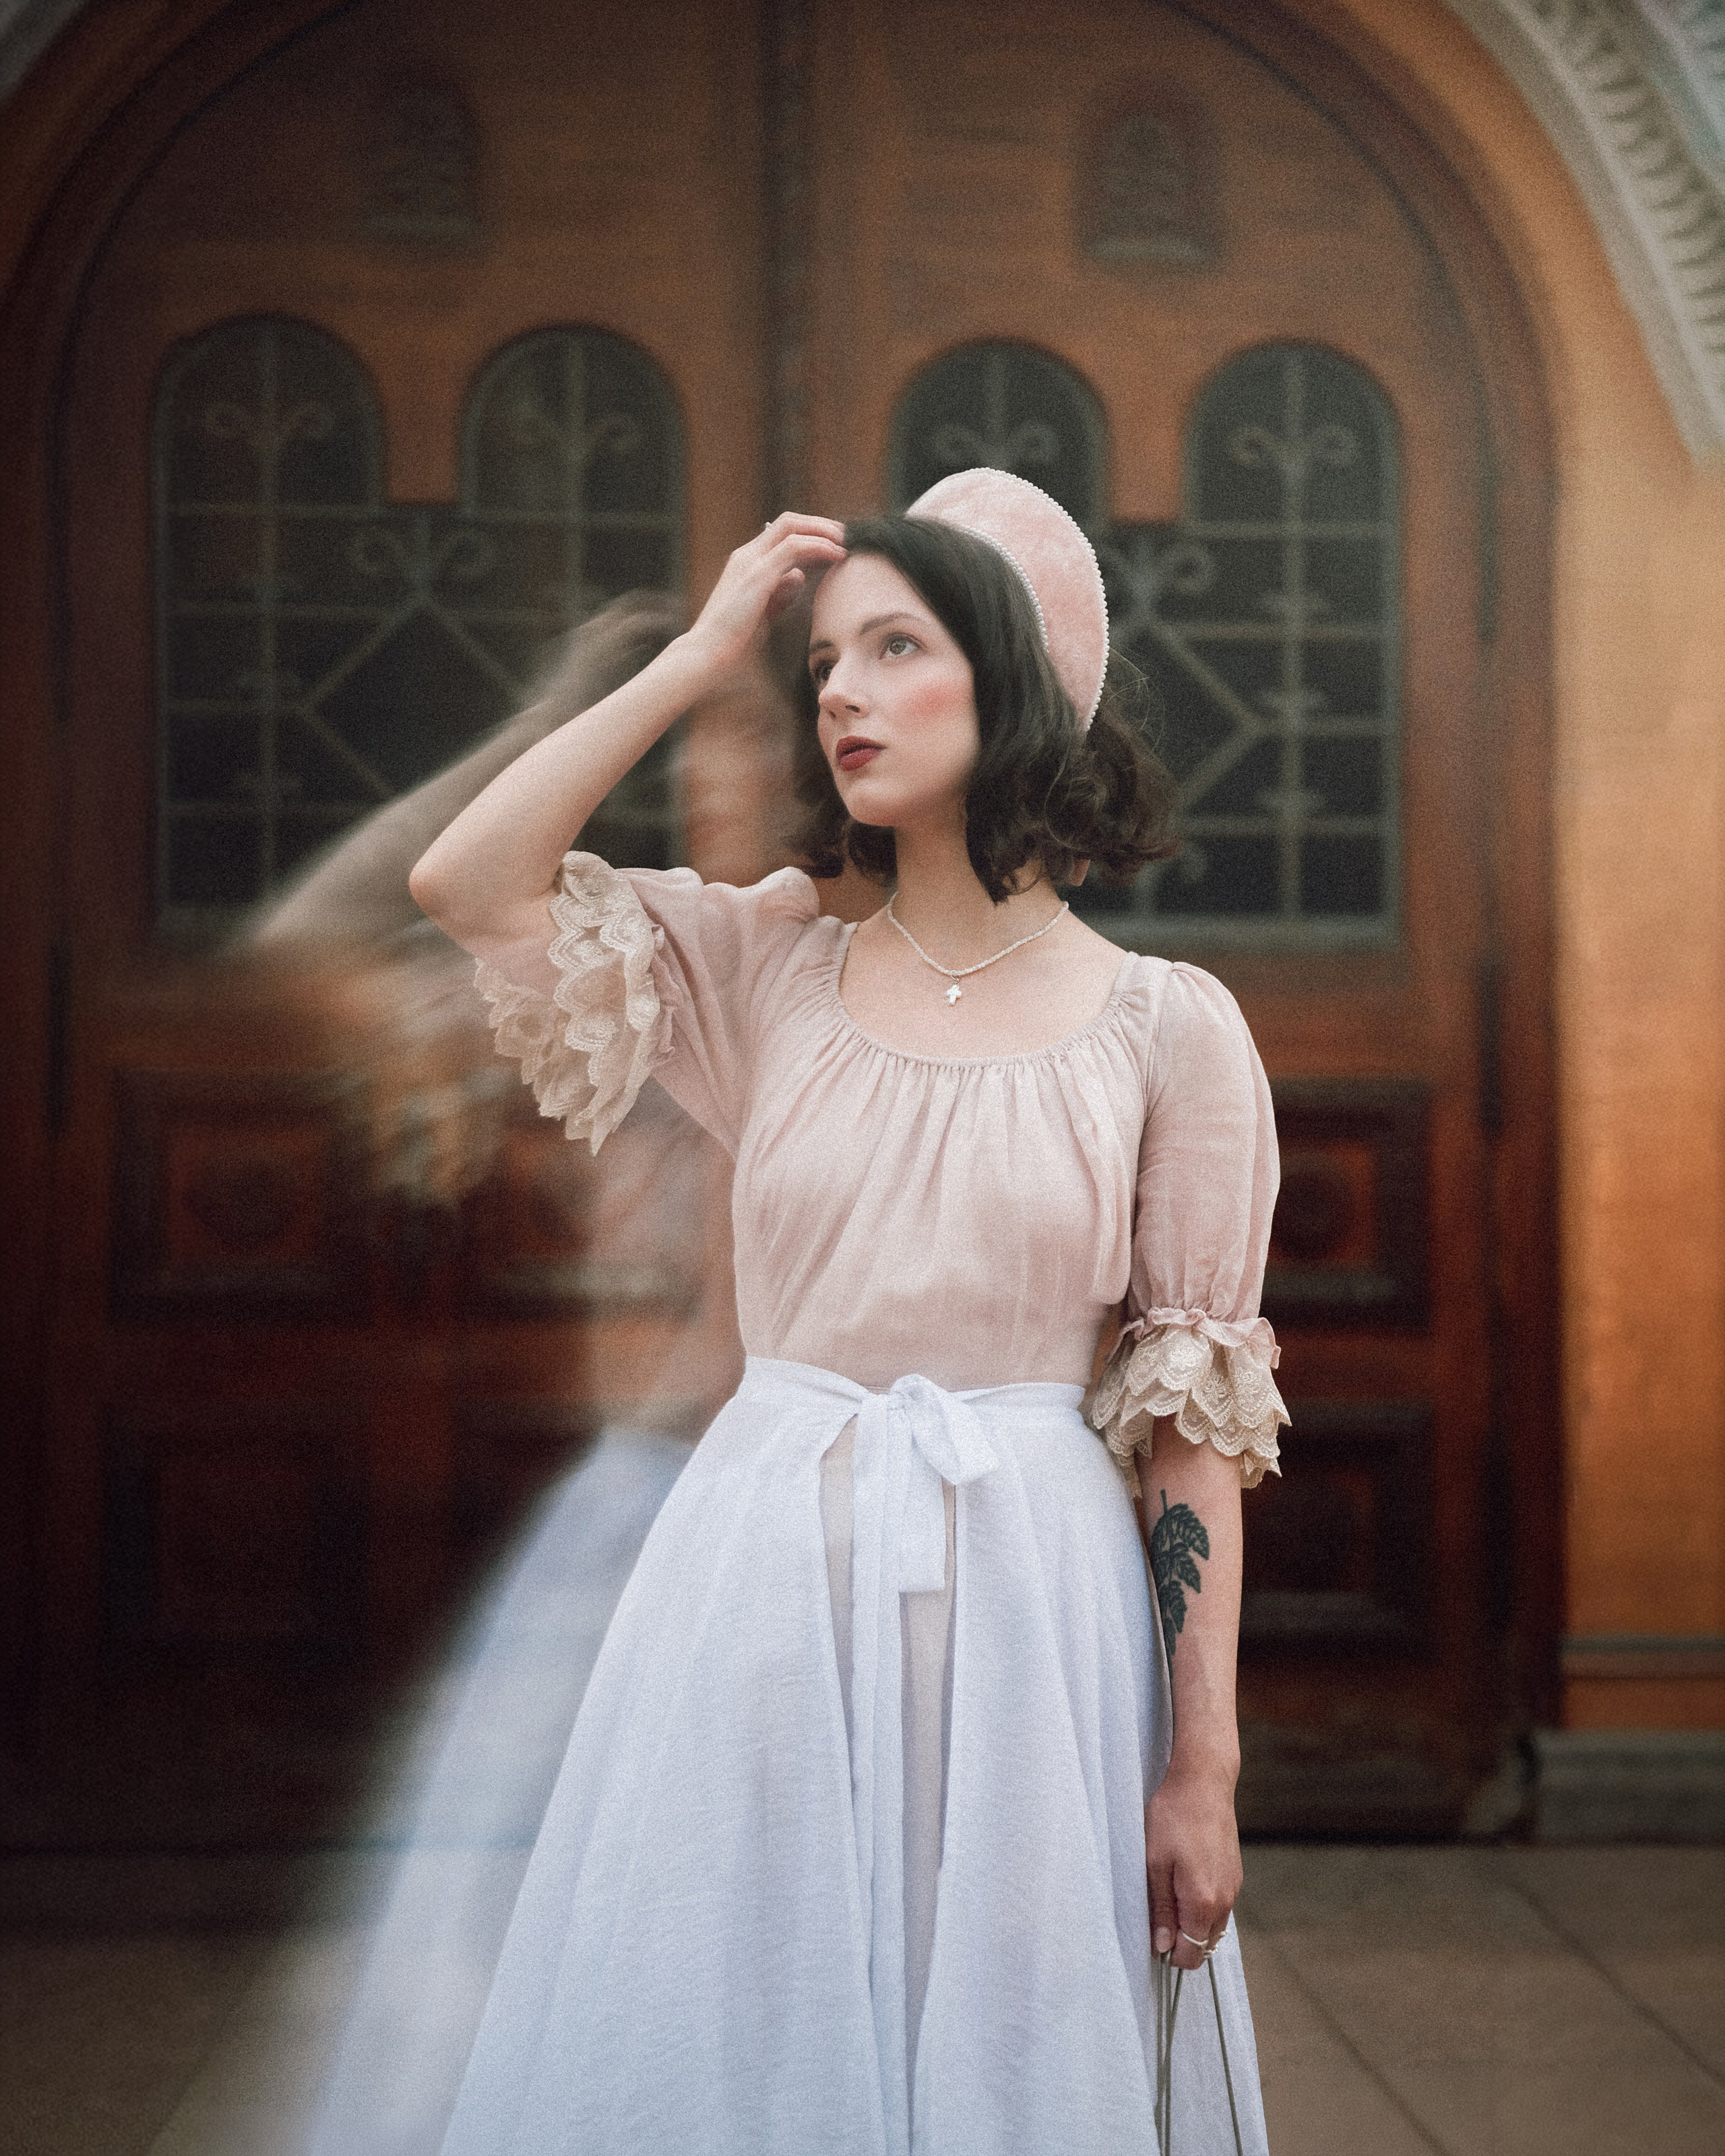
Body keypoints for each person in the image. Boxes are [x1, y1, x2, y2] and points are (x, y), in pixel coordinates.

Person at [410, 470, 1289, 2155]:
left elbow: (1188, 1438)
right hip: (758, 1601)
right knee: (735, 2048)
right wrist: (694, 656)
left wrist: (1200, 1770)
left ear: (1015, 678)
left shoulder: (1167, 1029)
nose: (839, 693)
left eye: (897, 646)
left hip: (1038, 1622)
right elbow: (472, 882)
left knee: (1011, 2068)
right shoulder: (767, 969)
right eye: (823, 660)